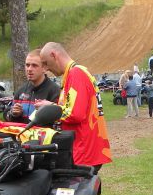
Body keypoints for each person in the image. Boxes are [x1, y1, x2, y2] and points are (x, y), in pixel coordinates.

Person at [37, 42, 112, 172]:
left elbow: (75, 114)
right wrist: (52, 106)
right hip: (87, 147)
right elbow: (74, 107)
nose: (46, 69)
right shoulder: (76, 73)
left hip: (84, 149)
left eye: (46, 63)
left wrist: (51, 111)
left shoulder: (76, 74)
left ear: (54, 55)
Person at [4, 50, 61, 122]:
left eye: (34, 65)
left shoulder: (54, 91)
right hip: (22, 132)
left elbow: (60, 120)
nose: (29, 69)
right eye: (27, 65)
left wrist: (46, 111)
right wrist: (14, 114)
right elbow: (8, 116)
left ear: (44, 68)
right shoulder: (21, 90)